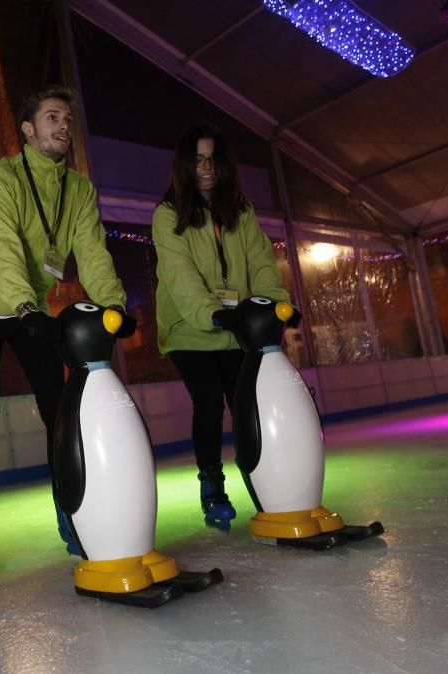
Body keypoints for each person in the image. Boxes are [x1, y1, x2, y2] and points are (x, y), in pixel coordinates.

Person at [0, 86, 135, 586]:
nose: (64, 126)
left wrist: (114, 304)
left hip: (29, 305)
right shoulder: (0, 177)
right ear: (28, 129)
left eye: (68, 120)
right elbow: (2, 244)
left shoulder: (78, 189)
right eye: (52, 117)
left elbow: (92, 251)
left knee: (59, 408)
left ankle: (69, 506)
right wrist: (26, 305)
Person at [152, 122, 289, 530]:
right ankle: (212, 485)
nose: (206, 168)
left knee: (246, 403)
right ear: (185, 165)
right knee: (210, 401)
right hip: (188, 328)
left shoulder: (241, 212)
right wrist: (211, 313)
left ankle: (262, 479)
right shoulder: (168, 214)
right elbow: (179, 274)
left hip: (234, 329)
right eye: (198, 160)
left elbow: (261, 261)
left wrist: (275, 304)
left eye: (213, 159)